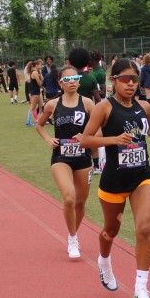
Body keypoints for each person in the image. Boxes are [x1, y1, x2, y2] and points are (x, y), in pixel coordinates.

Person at [79, 58, 150, 298]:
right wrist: (113, 140)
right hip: (114, 180)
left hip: (141, 177)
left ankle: (141, 286)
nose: (130, 84)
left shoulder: (144, 106)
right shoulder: (104, 107)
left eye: (134, 79)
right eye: (125, 79)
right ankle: (104, 261)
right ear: (113, 80)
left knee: (144, 228)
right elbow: (85, 140)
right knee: (111, 230)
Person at [35, 65, 97, 260]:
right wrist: (47, 138)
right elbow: (39, 124)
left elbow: (100, 128)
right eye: (67, 79)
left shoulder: (88, 103)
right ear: (60, 83)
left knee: (80, 202)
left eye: (75, 78)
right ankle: (73, 239)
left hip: (83, 158)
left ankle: (73, 234)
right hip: (61, 157)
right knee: (69, 198)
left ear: (79, 81)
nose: (72, 82)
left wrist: (87, 138)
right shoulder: (53, 104)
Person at [25, 60, 43, 127]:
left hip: (37, 91)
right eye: (40, 65)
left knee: (41, 106)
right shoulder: (35, 72)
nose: (41, 66)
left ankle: (41, 120)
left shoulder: (36, 72)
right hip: (35, 92)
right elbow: (39, 83)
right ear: (36, 65)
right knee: (32, 107)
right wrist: (43, 86)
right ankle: (28, 121)